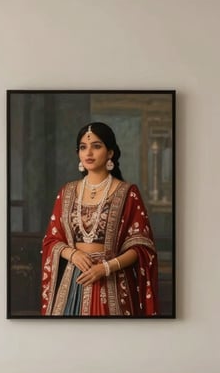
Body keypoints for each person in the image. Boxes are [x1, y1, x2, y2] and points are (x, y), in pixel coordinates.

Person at [40, 122, 159, 316]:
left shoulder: (127, 193)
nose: (89, 153)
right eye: (83, 147)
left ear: (110, 152)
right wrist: (73, 254)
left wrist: (105, 267)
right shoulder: (67, 192)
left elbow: (141, 246)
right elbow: (51, 241)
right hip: (73, 283)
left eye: (96, 146)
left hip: (112, 282)